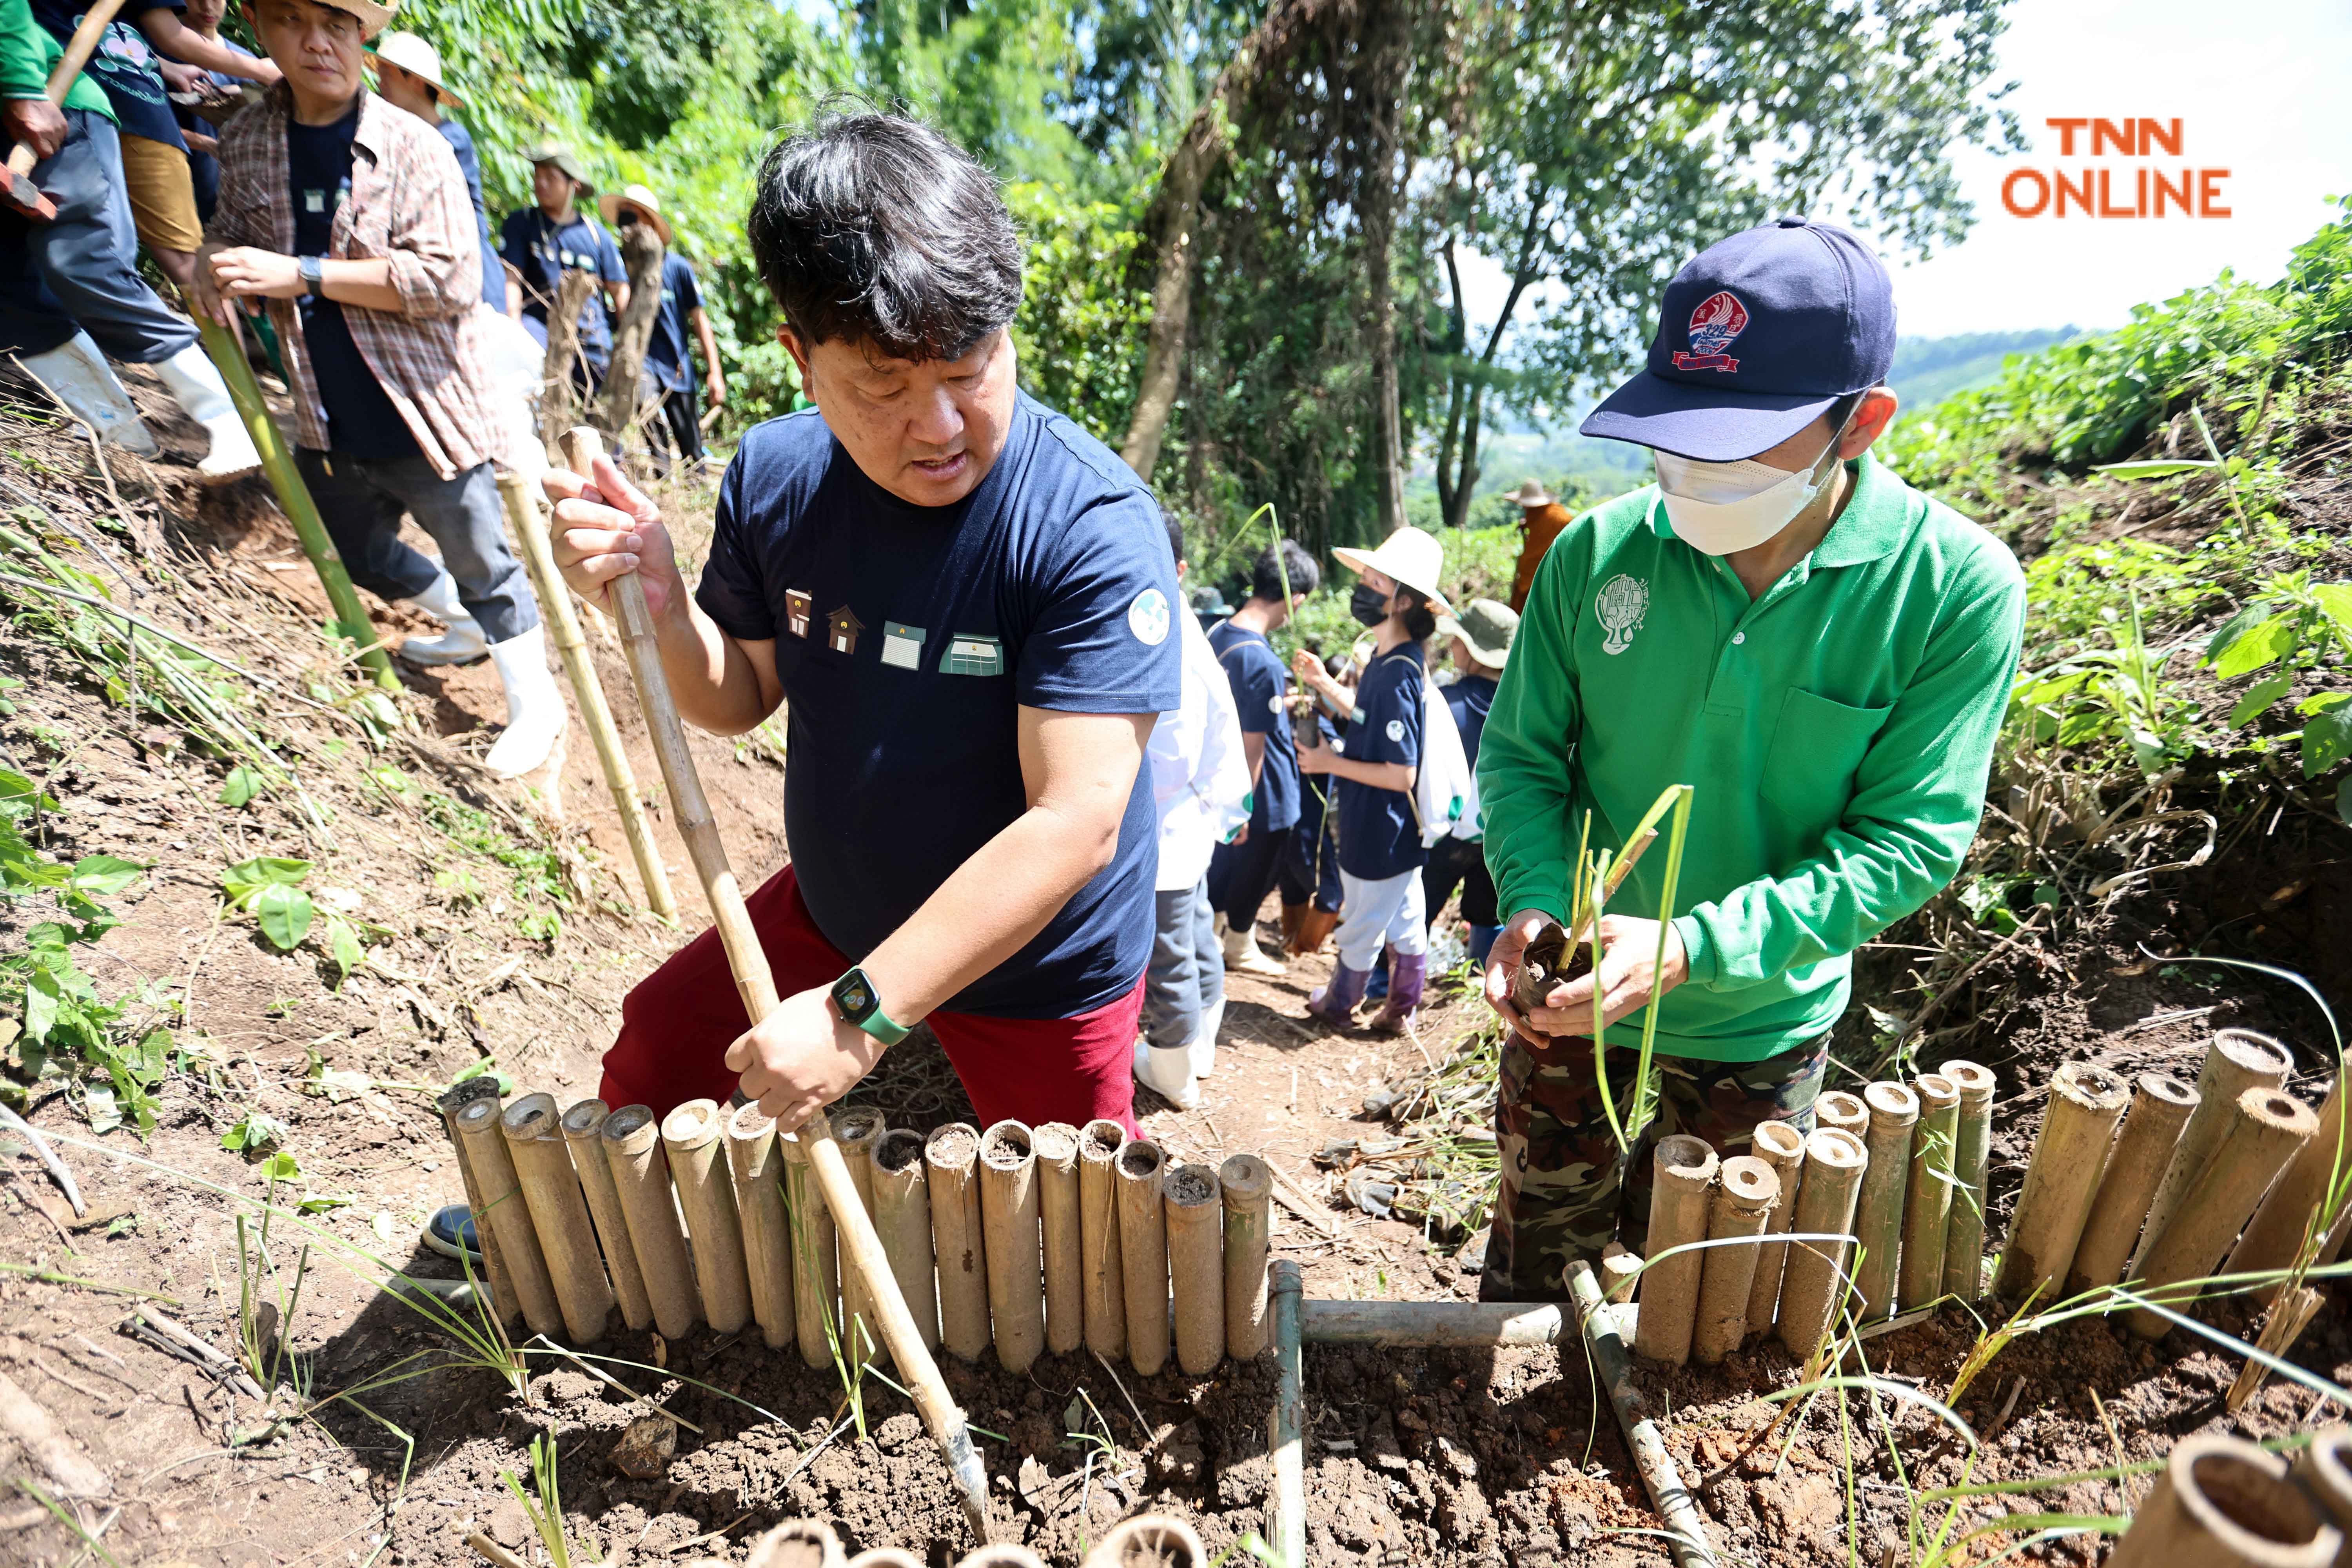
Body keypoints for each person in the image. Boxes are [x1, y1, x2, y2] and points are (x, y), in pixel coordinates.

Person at [548, 111, 1180, 1134]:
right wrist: (662, 607)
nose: (937, 429)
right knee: (656, 1052)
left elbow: (1077, 822)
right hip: (837, 915)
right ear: (801, 356)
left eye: (970, 368)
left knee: (1080, 1232)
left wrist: (855, 1018)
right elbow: (736, 697)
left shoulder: (1088, 528)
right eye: (884, 385)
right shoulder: (777, 477)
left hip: (1040, 972)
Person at [1475, 217, 2027, 1302]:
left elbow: (1907, 841)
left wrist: (1695, 946)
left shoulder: (1954, 590)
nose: (1695, 469)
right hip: (1571, 986)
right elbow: (1524, 759)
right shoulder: (1598, 556)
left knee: (1699, 1293)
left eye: (1739, 440)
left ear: (1859, 425)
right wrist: (1535, 901)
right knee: (1541, 1249)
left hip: (1762, 1014)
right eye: (1678, 433)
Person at [192, 0, 562, 778]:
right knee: (356, 549)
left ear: (364, 36)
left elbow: (450, 279)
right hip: (325, 410)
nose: (317, 42)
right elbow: (230, 224)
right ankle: (461, 624)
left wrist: (305, 275)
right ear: (260, 29)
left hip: (425, 407)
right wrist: (212, 258)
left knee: (484, 561)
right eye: (293, 21)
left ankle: (537, 709)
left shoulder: (413, 146)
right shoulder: (252, 137)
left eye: (336, 23)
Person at [2, 0, 260, 479]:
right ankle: (119, 433)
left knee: (83, 260)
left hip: (51, 101)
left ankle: (229, 419)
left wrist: (20, 84)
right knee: (10, 294)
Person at [1292, 525, 1449, 1034]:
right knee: (1405, 917)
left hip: (1381, 826)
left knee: (1361, 921)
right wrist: (1323, 683)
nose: (1363, 588)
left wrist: (1329, 764)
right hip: (1396, 829)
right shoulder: (1389, 659)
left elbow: (1401, 771)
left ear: (1403, 601)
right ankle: (1402, 1008)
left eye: (1375, 582)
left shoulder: (1399, 671)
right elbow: (1367, 719)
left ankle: (1340, 1004)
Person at [30, 0, 276, 300]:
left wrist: (165, 66)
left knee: (182, 264)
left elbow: (125, 34)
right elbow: (169, 35)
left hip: (121, 104)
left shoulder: (227, 58)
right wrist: (263, 70)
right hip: (87, 103)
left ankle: (215, 345)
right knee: (151, 261)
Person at [1134, 510, 1250, 1111]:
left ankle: (1175, 1072)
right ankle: (1198, 1047)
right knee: (1196, 932)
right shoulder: (1178, 622)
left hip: (1168, 824)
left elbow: (1171, 751)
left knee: (1169, 954)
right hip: (1189, 819)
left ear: (1178, 568)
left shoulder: (1160, 628)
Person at [1201, 539, 1319, 977]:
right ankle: (1237, 943)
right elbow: (1255, 744)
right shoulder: (1264, 661)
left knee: (1224, 867)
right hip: (1262, 790)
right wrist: (1243, 806)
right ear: (1297, 599)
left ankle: (1214, 937)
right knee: (1257, 868)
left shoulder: (1218, 634)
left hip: (1217, 780)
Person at [369, 31, 505, 313]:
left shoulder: (451, 139)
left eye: (386, 75)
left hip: (468, 270)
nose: (379, 84)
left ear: (415, 81)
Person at [600, 183, 722, 477]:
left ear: (650, 222)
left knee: (692, 447)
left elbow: (700, 321)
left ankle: (696, 489)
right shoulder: (617, 264)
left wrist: (714, 371)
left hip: (677, 367)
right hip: (643, 363)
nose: (627, 224)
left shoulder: (677, 268)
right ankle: (662, 481)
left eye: (634, 216)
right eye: (623, 217)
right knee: (651, 423)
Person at [1422, 597, 1515, 966]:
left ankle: (1385, 985)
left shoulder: (1446, 704)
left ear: (1475, 650)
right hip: (1499, 837)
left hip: (1443, 834)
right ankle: (1483, 980)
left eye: (1458, 639)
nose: (1452, 646)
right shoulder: (1523, 707)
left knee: (1420, 906)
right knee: (1488, 912)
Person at [501, 143, 624, 389]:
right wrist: (514, 329)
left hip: (593, 343)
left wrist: (627, 347)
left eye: (551, 178)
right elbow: (511, 279)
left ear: (574, 186)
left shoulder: (596, 235)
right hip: (539, 334)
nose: (541, 183)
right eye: (538, 176)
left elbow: (620, 290)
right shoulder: (522, 224)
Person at [168, 0, 254, 224]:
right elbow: (143, 124)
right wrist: (205, 143)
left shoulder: (246, 63)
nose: (208, 7)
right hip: (177, 195)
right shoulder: (156, 52)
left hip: (239, 201)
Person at [1507, 477, 1571, 613]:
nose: (1525, 509)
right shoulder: (1535, 516)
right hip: (1529, 576)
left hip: (1547, 577)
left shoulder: (1559, 518)